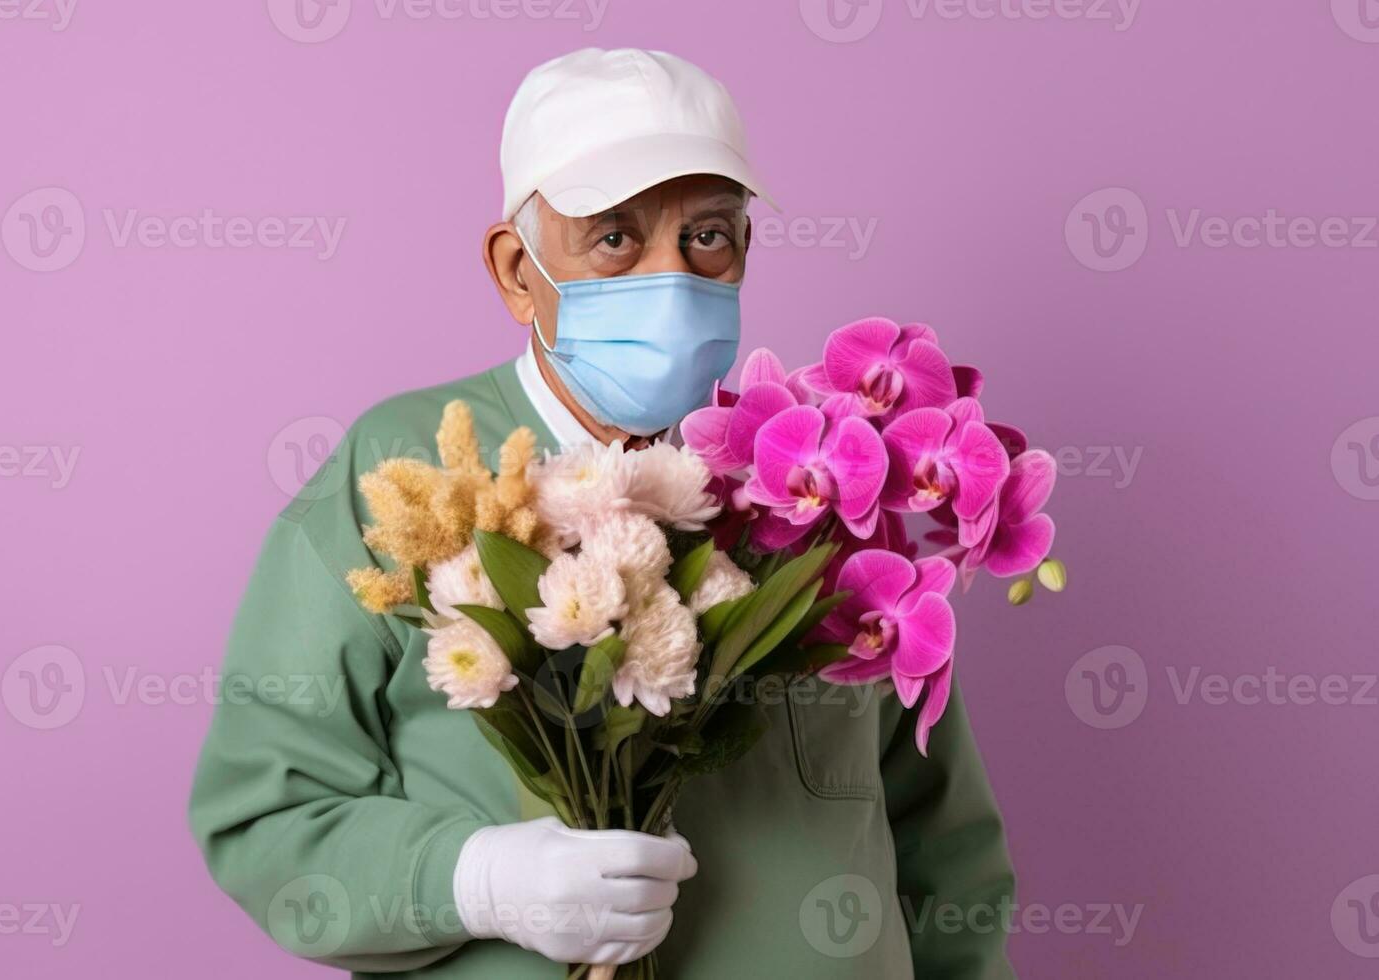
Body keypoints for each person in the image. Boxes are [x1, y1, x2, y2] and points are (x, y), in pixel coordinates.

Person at [189, 47, 1017, 979]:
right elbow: (263, 815)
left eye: (708, 235)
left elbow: (947, 855)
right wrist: (475, 881)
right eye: (615, 238)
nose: (673, 276)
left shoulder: (821, 484)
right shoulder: (404, 477)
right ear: (515, 269)